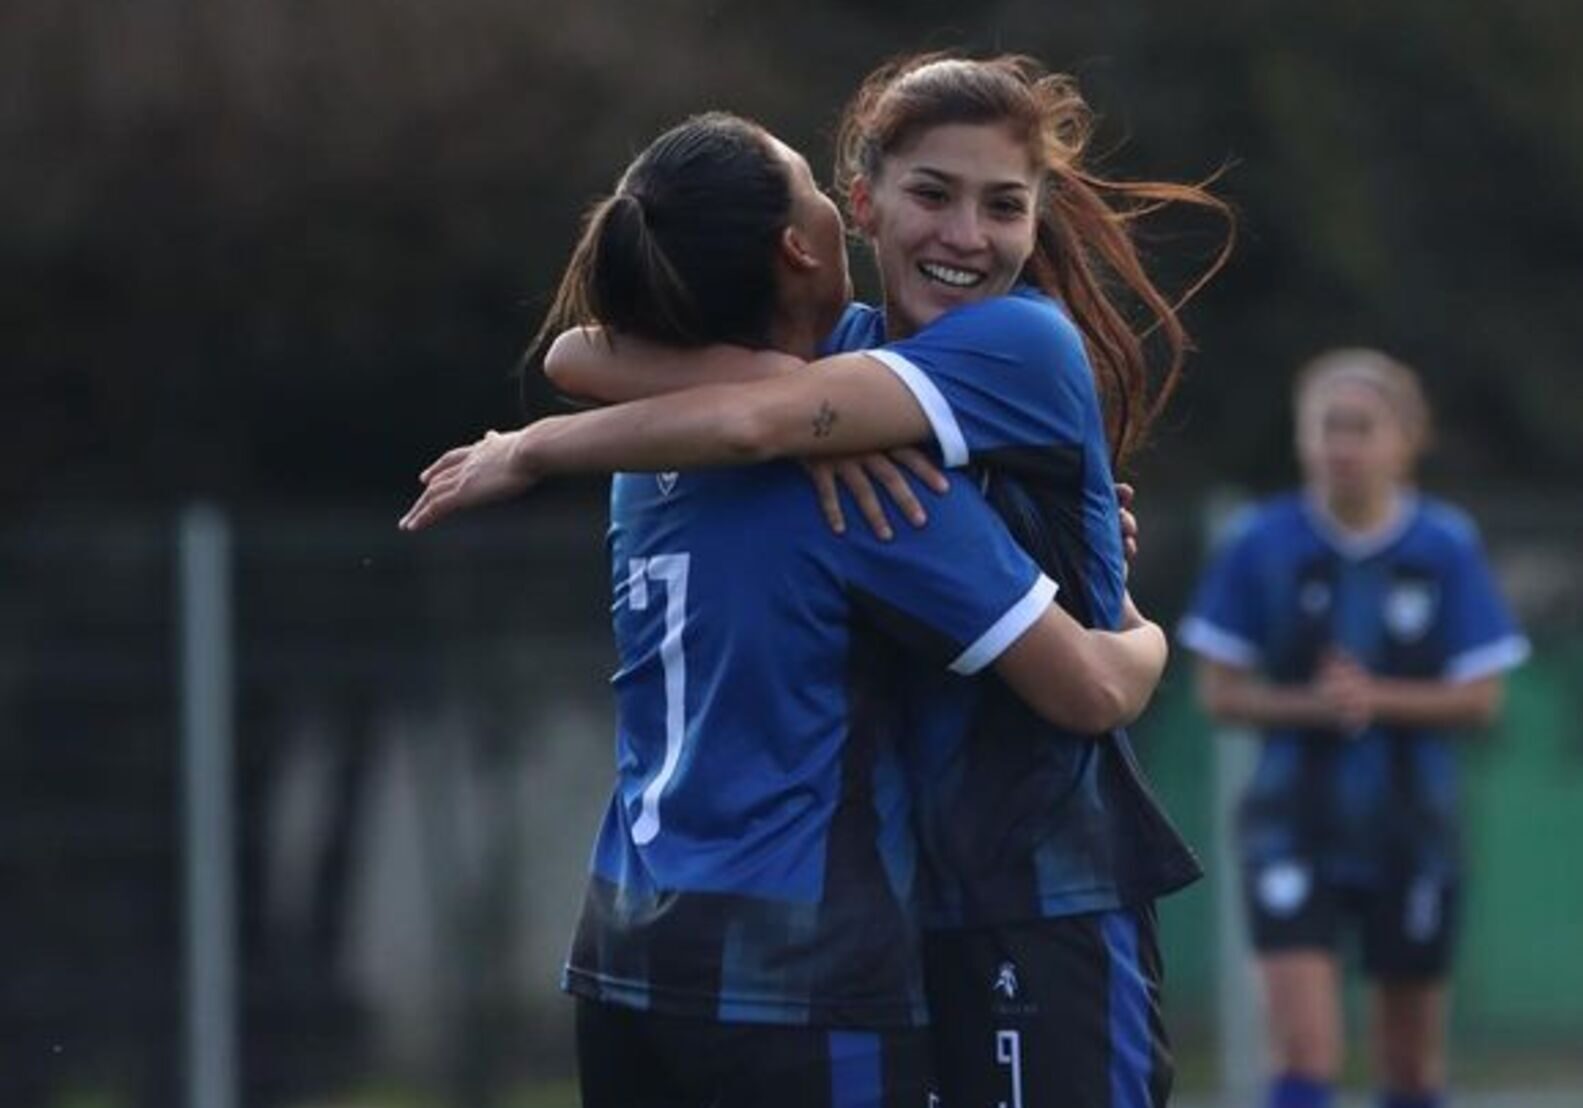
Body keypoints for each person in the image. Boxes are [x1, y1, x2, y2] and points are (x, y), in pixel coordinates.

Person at [402, 53, 1234, 1108]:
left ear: (1036, 217)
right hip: (876, 908)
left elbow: (626, 371)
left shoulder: (1016, 342)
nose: (964, 234)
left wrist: (538, 450)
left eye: (1002, 206)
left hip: (1034, 881)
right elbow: (590, 354)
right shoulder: (841, 396)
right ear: (858, 206)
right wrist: (801, 409)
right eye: (930, 194)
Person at [1177, 349, 1529, 1108]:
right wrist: (1316, 706)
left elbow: (1480, 698)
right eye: (1325, 428)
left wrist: (1376, 697)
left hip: (1413, 827)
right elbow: (1219, 692)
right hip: (1290, 827)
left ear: (1406, 441)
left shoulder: (1444, 546)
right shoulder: (1260, 543)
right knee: (1304, 1048)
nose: (1341, 447)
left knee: (1409, 1061)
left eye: (1360, 428)